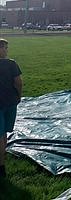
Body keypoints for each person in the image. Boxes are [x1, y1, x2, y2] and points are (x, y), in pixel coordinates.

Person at [0, 38, 23, 178]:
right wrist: (18, 97)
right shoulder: (11, 64)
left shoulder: (11, 63)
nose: (6, 50)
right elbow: (18, 83)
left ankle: (1, 163)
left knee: (2, 135)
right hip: (10, 102)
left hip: (6, 103)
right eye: (4, 47)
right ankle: (1, 162)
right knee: (3, 135)